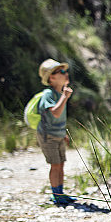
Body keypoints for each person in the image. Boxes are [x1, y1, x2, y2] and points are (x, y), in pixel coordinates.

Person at [36, 58, 74, 205]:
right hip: (48, 136)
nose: (66, 74)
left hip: (58, 135)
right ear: (51, 77)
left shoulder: (60, 95)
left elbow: (59, 119)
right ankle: (55, 194)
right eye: (61, 72)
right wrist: (65, 97)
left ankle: (60, 192)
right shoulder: (48, 94)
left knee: (61, 163)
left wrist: (64, 133)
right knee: (55, 164)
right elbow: (55, 113)